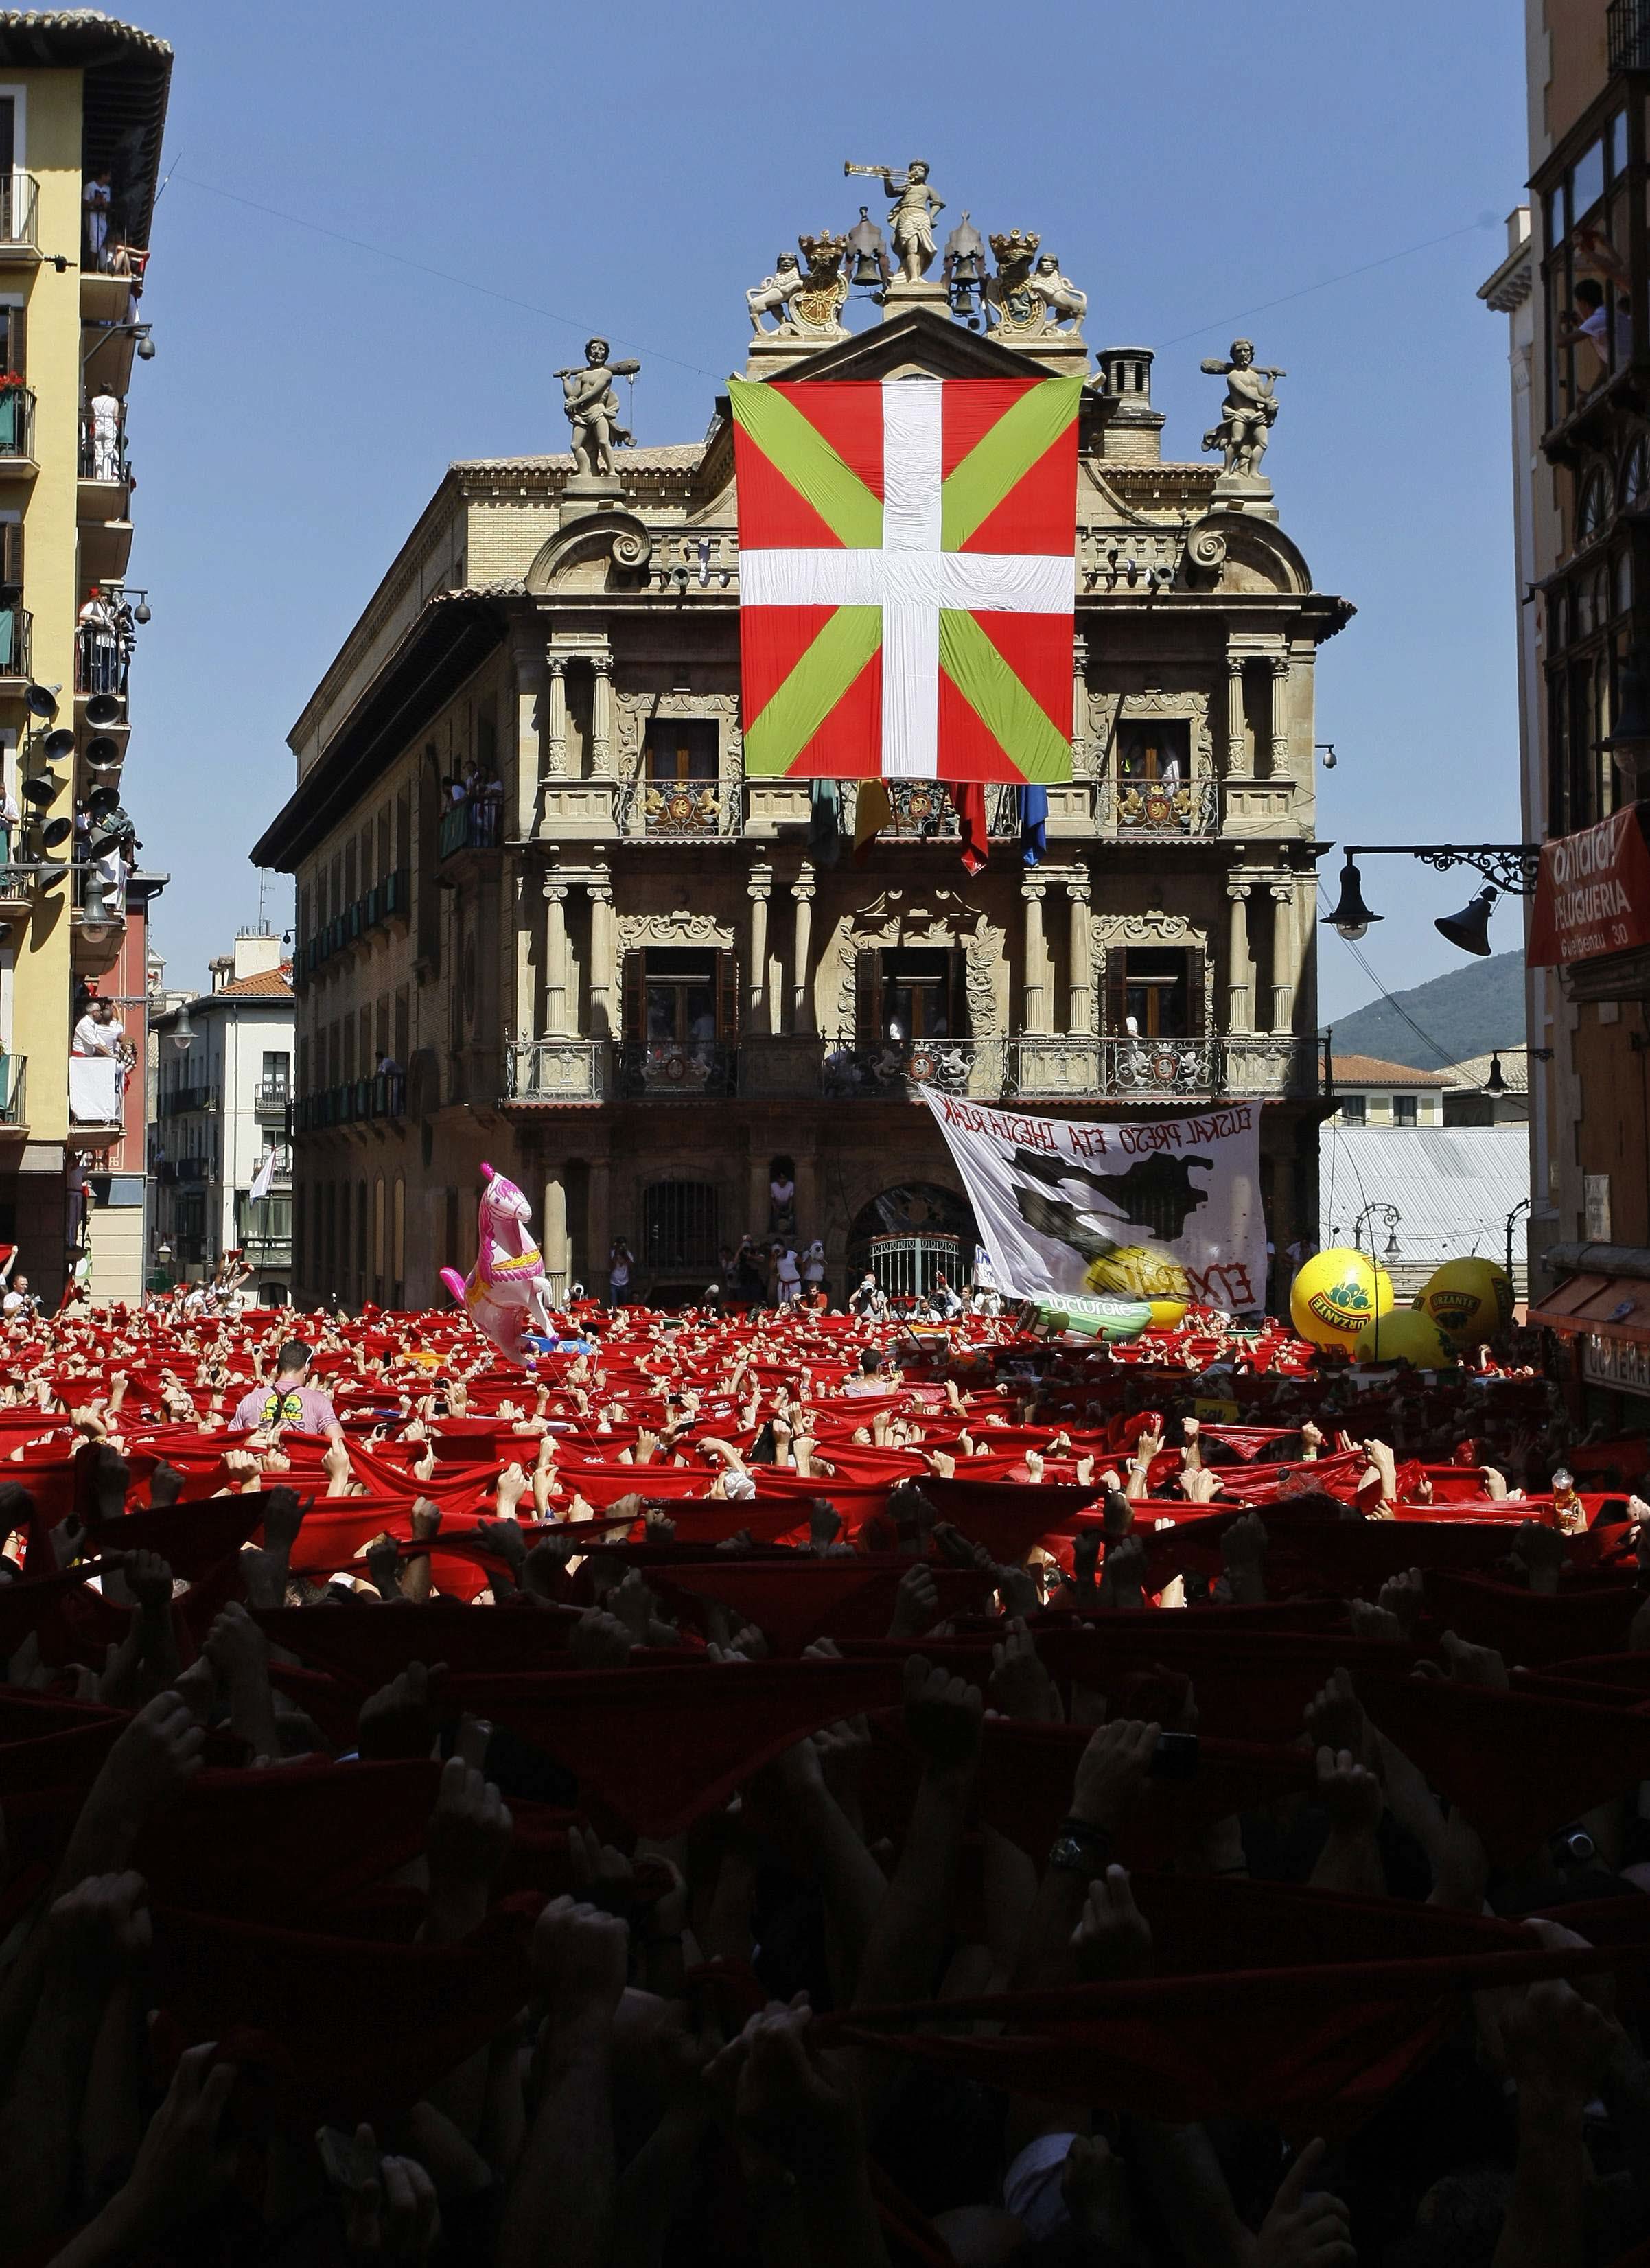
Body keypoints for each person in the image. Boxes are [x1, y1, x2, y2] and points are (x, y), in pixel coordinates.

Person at [229, 1337, 345, 1443]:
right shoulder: (319, 1401)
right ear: (307, 1368)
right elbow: (339, 1444)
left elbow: (229, 1444)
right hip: (293, 1464)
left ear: (279, 1367)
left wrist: (247, 1444)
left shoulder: (251, 1399)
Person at [607, 1236, 632, 1308]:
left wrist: (625, 1255)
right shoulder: (612, 1253)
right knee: (614, 1305)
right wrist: (616, 1254)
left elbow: (631, 1266)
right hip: (614, 1283)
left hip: (624, 1283)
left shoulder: (628, 1254)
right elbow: (611, 1267)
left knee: (624, 1305)